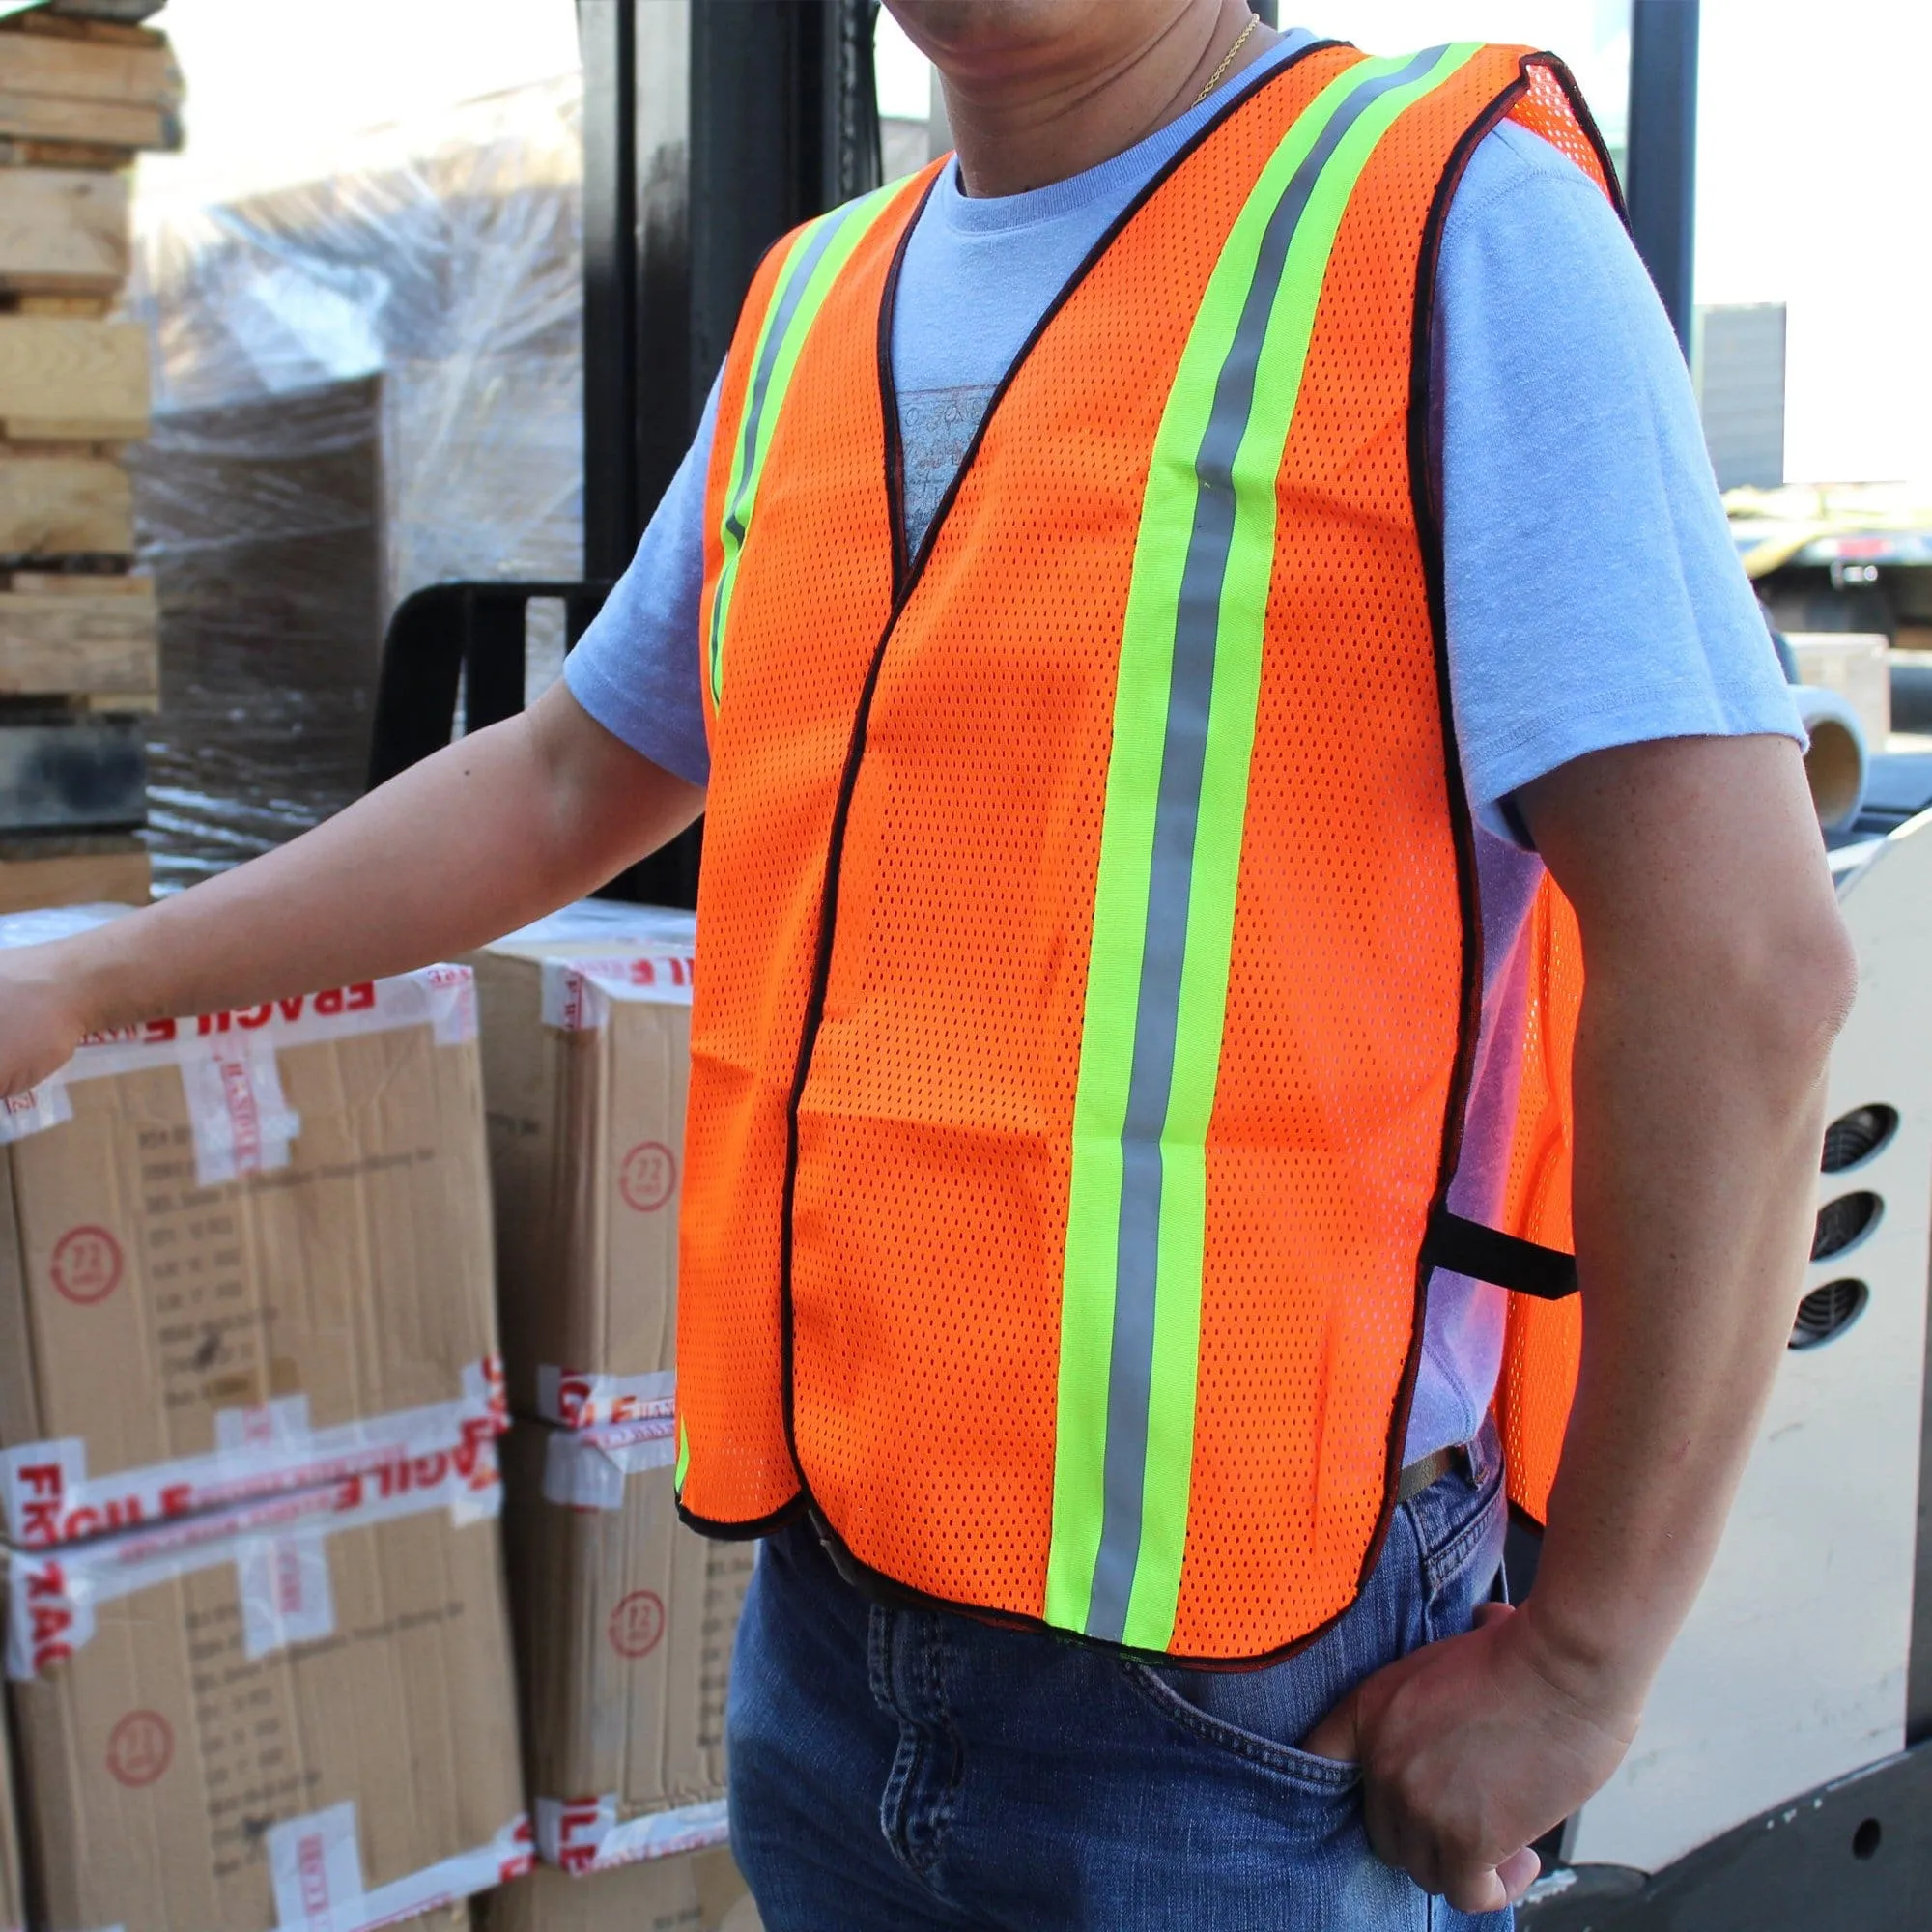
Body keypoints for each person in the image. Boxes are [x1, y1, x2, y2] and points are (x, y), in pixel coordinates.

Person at [0, 3, 1854, 1925]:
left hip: (1244, 1698)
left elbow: (1741, 973)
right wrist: (94, 982)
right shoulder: (820, 304)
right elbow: (562, 777)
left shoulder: (1438, 223)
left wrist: (1579, 1665)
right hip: (831, 1622)